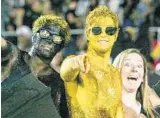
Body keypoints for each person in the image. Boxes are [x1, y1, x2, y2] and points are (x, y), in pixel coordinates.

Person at [1, 14, 71, 118]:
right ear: (34, 35)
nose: (50, 40)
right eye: (45, 33)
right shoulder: (15, 56)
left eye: (57, 39)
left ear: (60, 47)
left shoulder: (59, 84)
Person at [60, 5, 124, 118]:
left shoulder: (116, 74)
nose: (103, 34)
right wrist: (75, 63)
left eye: (109, 30)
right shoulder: (78, 62)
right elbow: (65, 72)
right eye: (97, 30)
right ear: (88, 33)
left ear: (116, 34)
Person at [113, 48, 160, 118]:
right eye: (127, 64)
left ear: (143, 77)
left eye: (139, 66)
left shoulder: (153, 114)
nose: (134, 69)